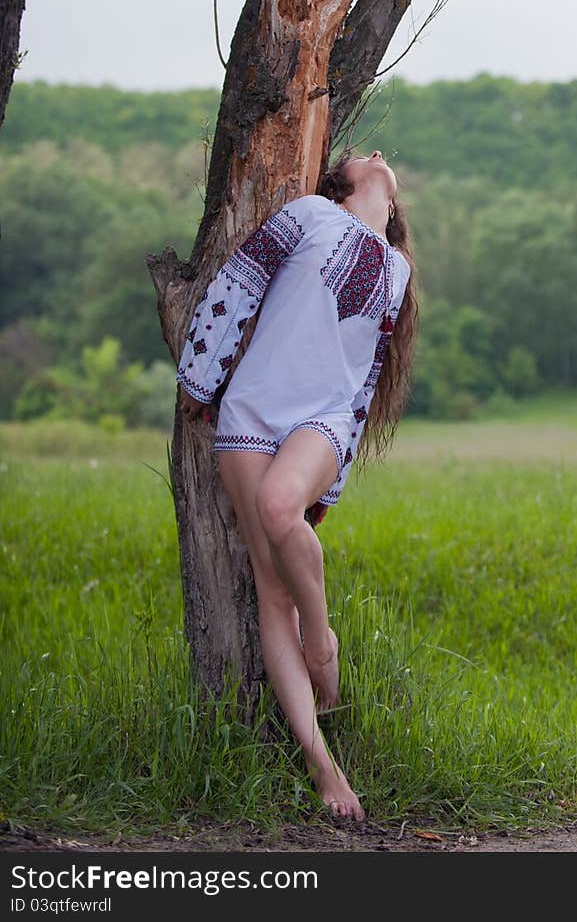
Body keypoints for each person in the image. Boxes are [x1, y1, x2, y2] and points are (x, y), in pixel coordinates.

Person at [176, 148, 418, 821]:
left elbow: (367, 379)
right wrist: (200, 381)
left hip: (323, 417)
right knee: (269, 588)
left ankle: (322, 635)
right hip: (250, 408)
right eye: (359, 152)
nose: (373, 152)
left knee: (283, 505)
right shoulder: (309, 213)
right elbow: (238, 283)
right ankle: (324, 766)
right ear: (344, 180)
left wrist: (333, 484)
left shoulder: (397, 271)